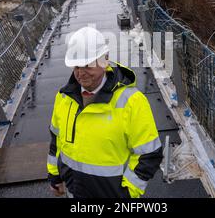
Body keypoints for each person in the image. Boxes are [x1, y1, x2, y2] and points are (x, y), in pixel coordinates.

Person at [47, 26, 163, 198]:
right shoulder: (64, 98)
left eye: (88, 65)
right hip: (75, 192)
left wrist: (128, 193)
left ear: (105, 60)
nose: (81, 73)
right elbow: (56, 141)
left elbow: (149, 153)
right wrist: (54, 176)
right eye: (76, 66)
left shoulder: (132, 101)